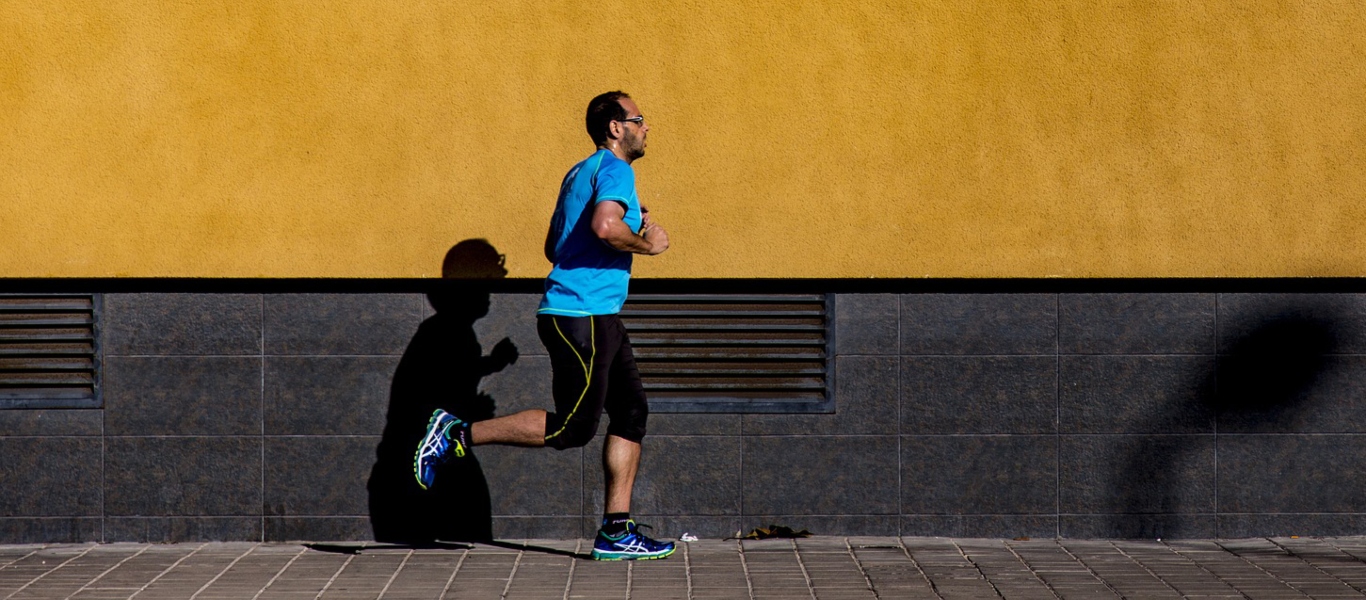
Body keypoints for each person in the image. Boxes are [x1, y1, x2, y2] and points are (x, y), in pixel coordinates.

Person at [414, 91, 674, 561]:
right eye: (639, 119)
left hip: (597, 316)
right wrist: (646, 242)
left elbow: (556, 247)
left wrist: (630, 220)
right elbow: (603, 228)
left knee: (631, 413)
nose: (646, 126)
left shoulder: (580, 172)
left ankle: (617, 530)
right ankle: (455, 432)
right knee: (573, 429)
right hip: (582, 316)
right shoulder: (616, 170)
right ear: (615, 128)